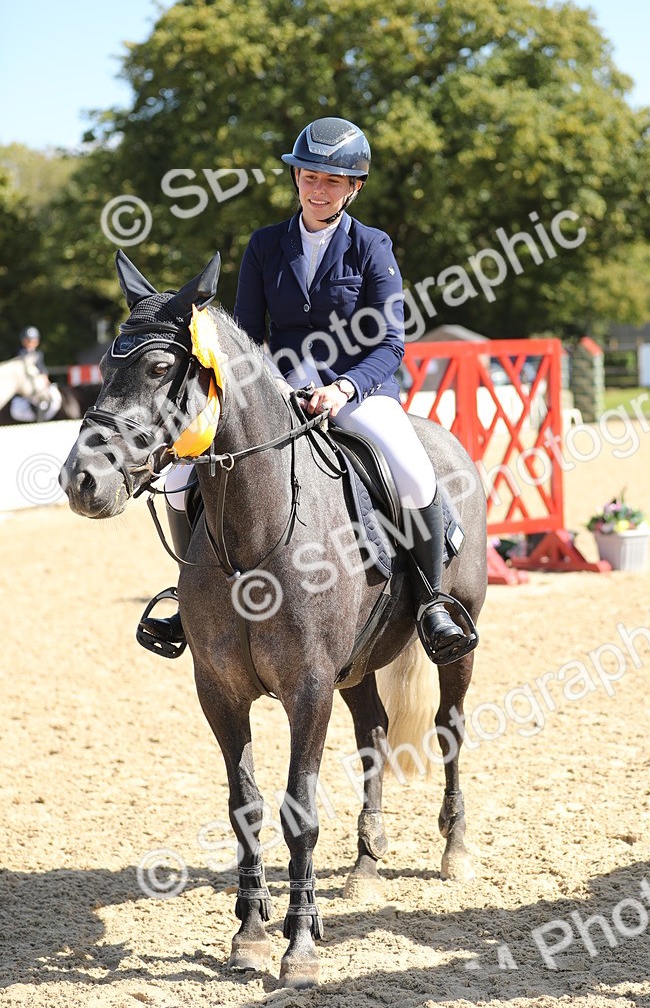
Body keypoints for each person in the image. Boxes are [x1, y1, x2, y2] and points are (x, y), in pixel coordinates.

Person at [141, 116, 473, 664]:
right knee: (179, 475)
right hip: (278, 391)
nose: (318, 190)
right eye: (309, 178)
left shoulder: (372, 246)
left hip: (359, 391)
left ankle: (432, 602)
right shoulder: (266, 245)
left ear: (353, 187)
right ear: (296, 180)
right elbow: (245, 336)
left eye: (332, 181)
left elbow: (391, 342)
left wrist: (344, 388)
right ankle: (190, 598)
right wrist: (268, 388)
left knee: (412, 470)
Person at [9, 325, 61, 422]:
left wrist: (46, 379)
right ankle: (38, 420)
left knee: (53, 394)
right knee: (37, 400)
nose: (30, 343)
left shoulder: (38, 354)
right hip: (26, 384)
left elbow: (42, 369)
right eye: (28, 340)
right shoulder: (20, 353)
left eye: (33, 340)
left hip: (38, 382)